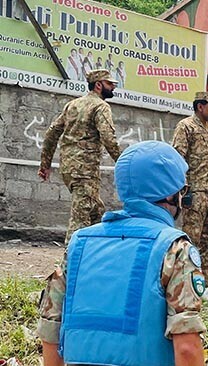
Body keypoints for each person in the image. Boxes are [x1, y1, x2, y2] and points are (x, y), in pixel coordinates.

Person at [38, 141, 207, 366]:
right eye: (182, 190)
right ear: (171, 195)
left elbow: (51, 329)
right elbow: (187, 345)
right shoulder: (173, 248)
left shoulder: (80, 243)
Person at [38, 69, 122, 244]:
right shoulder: (100, 106)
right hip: (85, 170)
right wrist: (123, 163)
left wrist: (45, 164)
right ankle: (70, 257)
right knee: (80, 219)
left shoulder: (72, 105)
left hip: (69, 169)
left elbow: (52, 133)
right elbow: (108, 138)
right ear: (98, 85)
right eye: (109, 83)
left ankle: (97, 251)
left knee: (96, 213)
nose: (113, 87)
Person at [172, 91, 208, 294]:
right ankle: (186, 276)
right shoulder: (186, 126)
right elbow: (178, 157)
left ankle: (207, 274)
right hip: (197, 190)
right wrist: (182, 187)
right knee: (192, 235)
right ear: (200, 106)